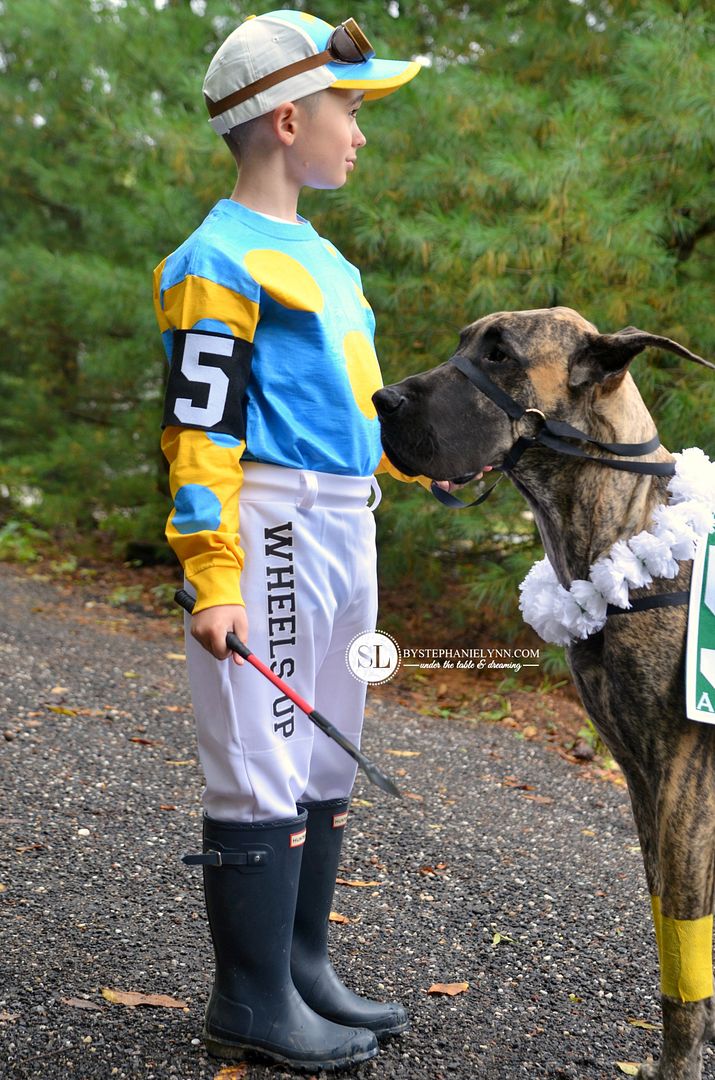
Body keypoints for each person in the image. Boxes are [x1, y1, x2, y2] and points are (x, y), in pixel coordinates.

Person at [153, 10, 425, 1071]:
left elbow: (360, 410)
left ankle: (304, 969)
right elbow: (199, 429)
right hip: (266, 526)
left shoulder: (327, 259)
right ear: (285, 119)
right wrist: (212, 574)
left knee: (320, 753)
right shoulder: (213, 261)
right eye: (349, 109)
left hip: (342, 521)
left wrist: (419, 464)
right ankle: (252, 1000)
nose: (358, 132)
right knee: (262, 761)